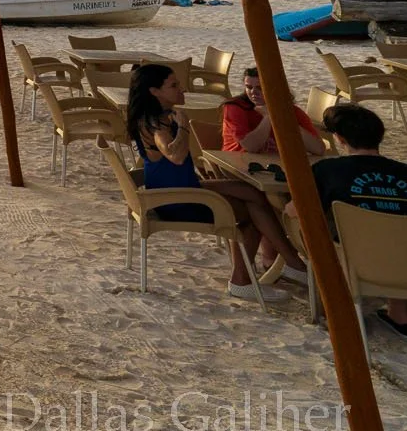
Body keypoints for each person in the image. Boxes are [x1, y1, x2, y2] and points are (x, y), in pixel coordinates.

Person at [126, 63, 304, 296]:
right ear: (154, 91)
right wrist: (183, 126)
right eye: (174, 85)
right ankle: (257, 276)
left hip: (180, 189)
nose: (183, 89)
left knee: (253, 193)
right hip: (177, 201)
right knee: (252, 214)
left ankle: (290, 263)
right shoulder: (157, 122)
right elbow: (175, 156)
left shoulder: (155, 117)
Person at [301, 104, 407, 339]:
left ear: (339, 138)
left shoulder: (328, 170)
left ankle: (340, 309)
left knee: (315, 225)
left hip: (359, 264)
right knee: (397, 229)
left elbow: (298, 212)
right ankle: (399, 313)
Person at [221, 67, 326, 158]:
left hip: (274, 165)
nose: (253, 92)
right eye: (249, 87)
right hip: (237, 164)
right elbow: (251, 146)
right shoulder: (236, 107)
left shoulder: (291, 111)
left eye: (259, 88)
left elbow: (319, 149)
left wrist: (284, 118)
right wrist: (269, 116)